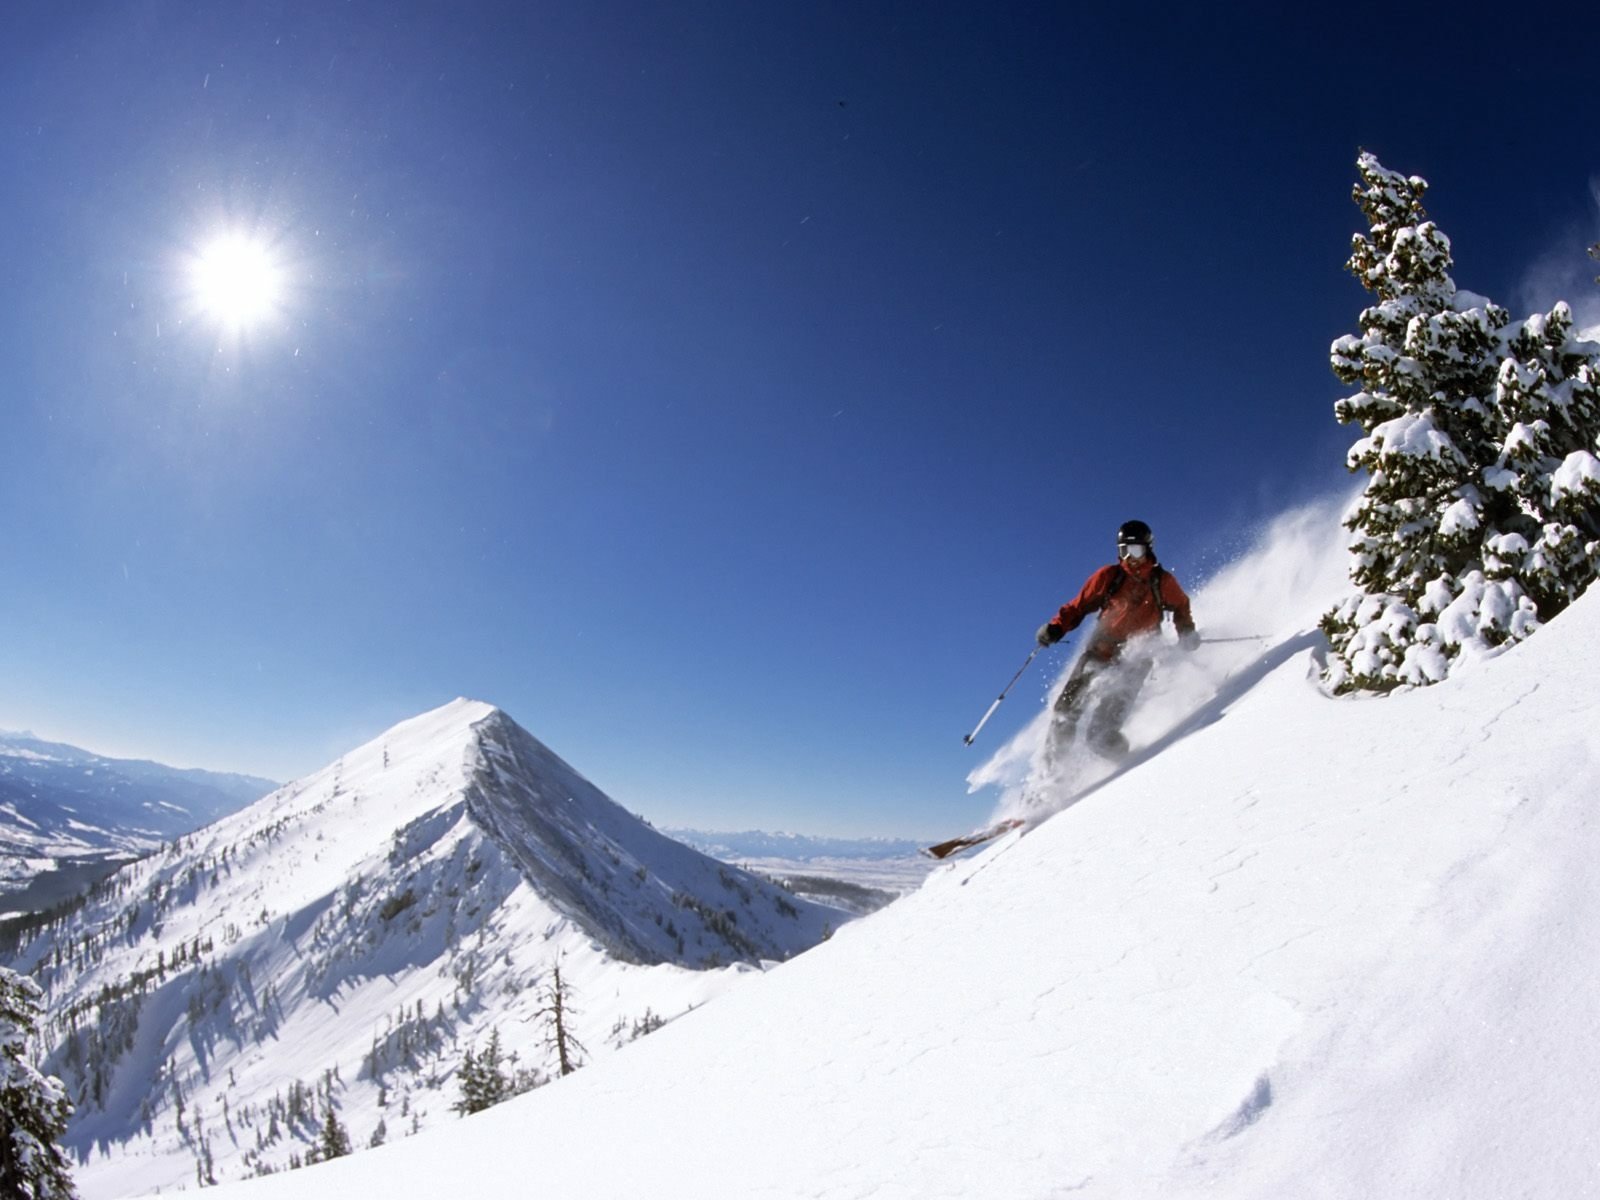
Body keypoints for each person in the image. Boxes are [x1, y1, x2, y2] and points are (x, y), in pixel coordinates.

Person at [1035, 519, 1197, 761]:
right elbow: (1078, 606)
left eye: (1136, 550)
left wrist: (1186, 631)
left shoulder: (1162, 582)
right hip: (1100, 652)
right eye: (1124, 551)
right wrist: (1056, 628)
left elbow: (1181, 605)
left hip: (1135, 662)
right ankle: (1052, 772)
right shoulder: (1109, 577)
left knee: (1100, 735)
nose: (1130, 558)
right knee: (1065, 711)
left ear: (1148, 549)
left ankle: (1130, 767)